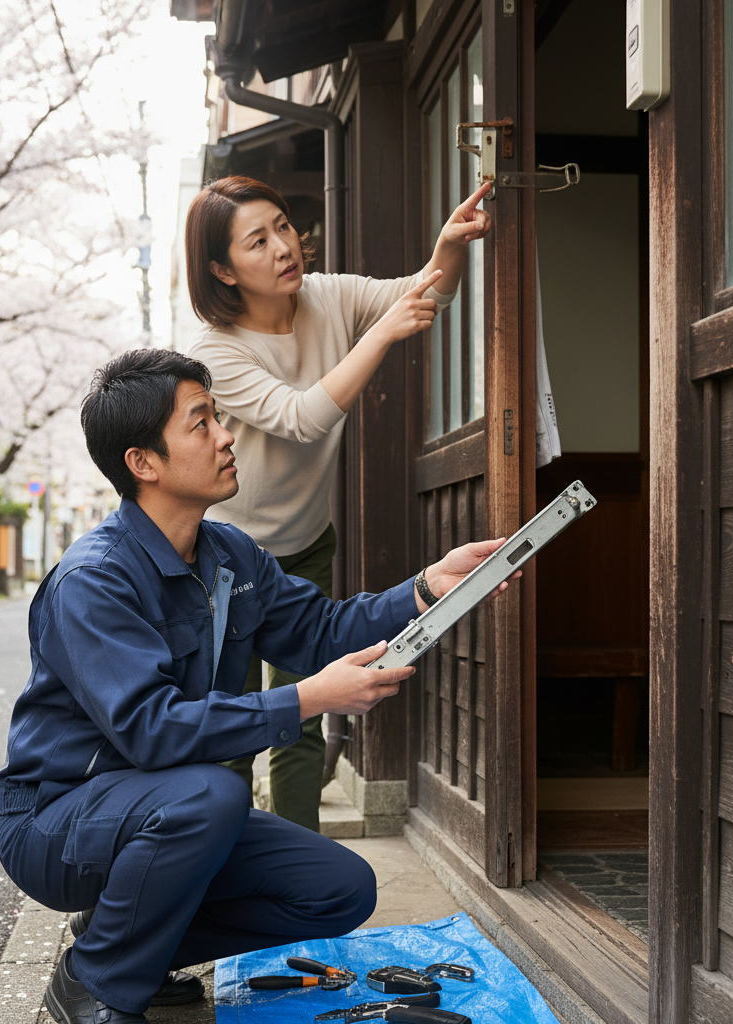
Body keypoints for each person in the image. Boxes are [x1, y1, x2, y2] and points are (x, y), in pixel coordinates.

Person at [0, 348, 519, 1024]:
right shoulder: (95, 579)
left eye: (219, 418)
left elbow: (322, 631)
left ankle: (125, 946)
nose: (226, 437)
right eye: (202, 423)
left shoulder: (230, 555)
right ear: (143, 462)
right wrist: (309, 699)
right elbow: (152, 731)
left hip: (166, 807)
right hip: (57, 826)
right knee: (214, 793)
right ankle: (94, 981)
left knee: (338, 888)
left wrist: (424, 589)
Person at [185, 175, 493, 831]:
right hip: (226, 559)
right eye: (257, 241)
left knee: (303, 714)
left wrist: (448, 245)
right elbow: (302, 418)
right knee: (232, 722)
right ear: (222, 269)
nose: (283, 247)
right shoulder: (216, 350)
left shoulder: (326, 296)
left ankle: (296, 862)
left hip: (305, 544)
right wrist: (378, 337)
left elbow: (425, 292)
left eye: (283, 227)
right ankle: (225, 859)